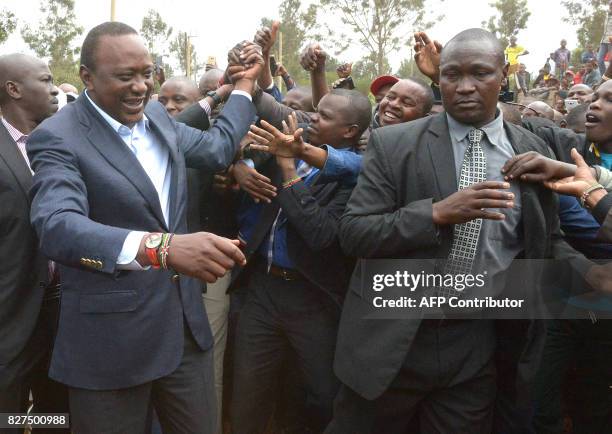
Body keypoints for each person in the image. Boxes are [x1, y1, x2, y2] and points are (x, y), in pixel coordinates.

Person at [326, 28, 583, 434]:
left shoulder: (532, 152)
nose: (464, 87)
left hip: (477, 343)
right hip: (392, 339)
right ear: (438, 78)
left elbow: (546, 240)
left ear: (504, 74)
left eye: (479, 73)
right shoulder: (394, 144)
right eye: (451, 75)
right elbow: (354, 233)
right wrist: (435, 214)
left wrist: (590, 276)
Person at [26, 22, 262, 434]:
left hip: (184, 335)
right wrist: (163, 248)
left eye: (147, 73)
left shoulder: (157, 118)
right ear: (87, 77)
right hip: (110, 346)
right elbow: (57, 226)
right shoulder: (57, 137)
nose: (141, 87)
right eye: (125, 77)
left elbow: (218, 148)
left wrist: (242, 86)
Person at [229, 89, 372, 433]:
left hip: (313, 297)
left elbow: (320, 234)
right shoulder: (290, 141)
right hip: (263, 289)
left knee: (322, 394)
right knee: (248, 392)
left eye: (323, 116)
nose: (312, 119)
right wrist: (238, 167)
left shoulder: (357, 177)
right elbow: (244, 147)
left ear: (349, 131)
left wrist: (288, 168)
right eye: (315, 111)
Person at [0, 53, 69, 434]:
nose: (55, 87)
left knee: (54, 417)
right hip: (9, 319)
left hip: (59, 315)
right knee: (7, 419)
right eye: (45, 80)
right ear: (14, 89)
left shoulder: (59, 143)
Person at [597, 1, 612, 75]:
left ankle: (609, 76)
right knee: (599, 60)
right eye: (610, 5)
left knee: (611, 61)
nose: (611, 6)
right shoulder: (607, 14)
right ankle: (604, 76)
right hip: (603, 41)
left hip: (611, 41)